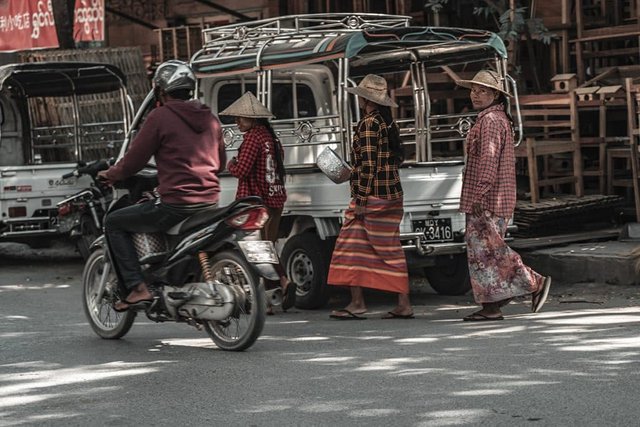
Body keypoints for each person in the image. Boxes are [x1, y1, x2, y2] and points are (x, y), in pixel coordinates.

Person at [97, 60, 226, 312]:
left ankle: (137, 288)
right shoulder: (209, 117)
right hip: (210, 201)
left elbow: (132, 163)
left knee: (114, 222)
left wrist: (111, 174)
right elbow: (220, 164)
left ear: (160, 90)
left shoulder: (159, 117)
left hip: (176, 204)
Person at [455, 70, 551, 321]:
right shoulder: (493, 119)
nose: (475, 95)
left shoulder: (491, 121)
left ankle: (533, 282)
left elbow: (488, 160)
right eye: (474, 90)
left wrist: (479, 194)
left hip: (487, 198)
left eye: (482, 91)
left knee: (490, 252)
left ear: (495, 94)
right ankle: (492, 306)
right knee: (486, 254)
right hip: (491, 197)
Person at [327, 74, 413, 320]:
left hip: (372, 197)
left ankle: (357, 303)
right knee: (390, 248)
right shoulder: (388, 123)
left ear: (365, 99)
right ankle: (404, 303)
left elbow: (368, 165)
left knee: (350, 248)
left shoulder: (368, 124)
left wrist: (361, 199)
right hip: (392, 194)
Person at [219, 91, 295, 313]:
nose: (237, 122)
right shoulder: (272, 138)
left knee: (256, 250)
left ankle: (276, 288)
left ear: (253, 119)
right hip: (276, 197)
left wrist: (231, 164)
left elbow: (242, 170)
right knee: (266, 249)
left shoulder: (252, 138)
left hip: (256, 202)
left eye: (241, 118)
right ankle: (277, 289)